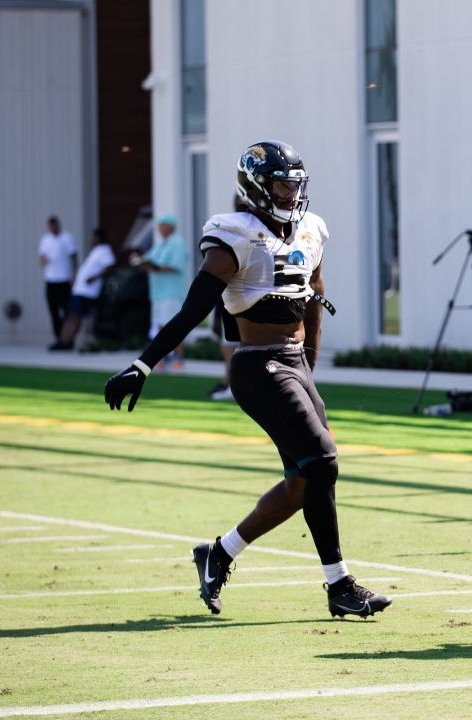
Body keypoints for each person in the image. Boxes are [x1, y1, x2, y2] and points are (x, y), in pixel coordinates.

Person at [104, 141, 391, 619]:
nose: (291, 194)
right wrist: (144, 364)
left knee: (304, 482)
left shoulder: (312, 230)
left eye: (296, 185)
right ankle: (339, 585)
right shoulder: (233, 236)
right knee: (322, 461)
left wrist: (309, 371)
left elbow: (315, 302)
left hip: (294, 364)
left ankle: (219, 554)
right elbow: (192, 311)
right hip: (258, 365)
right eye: (282, 185)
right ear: (256, 187)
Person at [134, 214, 190, 372]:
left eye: (162, 225)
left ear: (170, 227)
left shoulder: (177, 243)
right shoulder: (160, 244)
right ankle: (163, 358)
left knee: (174, 326)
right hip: (158, 293)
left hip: (171, 293)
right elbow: (147, 260)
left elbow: (175, 266)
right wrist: (139, 261)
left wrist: (154, 267)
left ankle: (179, 358)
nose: (159, 229)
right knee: (159, 327)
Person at [50, 228, 115, 351]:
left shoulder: (105, 250)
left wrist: (94, 277)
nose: (92, 240)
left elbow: (110, 267)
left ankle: (65, 342)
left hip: (87, 291)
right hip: (80, 290)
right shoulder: (96, 251)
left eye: (93, 237)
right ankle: (65, 341)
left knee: (74, 316)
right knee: (72, 316)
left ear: (99, 238)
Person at [208, 196, 246, 401]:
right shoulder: (232, 230)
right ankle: (229, 383)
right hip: (229, 301)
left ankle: (236, 386)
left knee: (238, 349)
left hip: (244, 302)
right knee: (229, 348)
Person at [38, 216, 77, 345]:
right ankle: (58, 338)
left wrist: (74, 276)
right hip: (50, 279)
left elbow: (73, 257)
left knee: (65, 310)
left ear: (58, 225)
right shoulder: (46, 239)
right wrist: (43, 260)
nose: (52, 229)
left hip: (63, 279)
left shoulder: (67, 238)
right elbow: (41, 257)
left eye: (54, 226)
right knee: (53, 310)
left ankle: (67, 338)